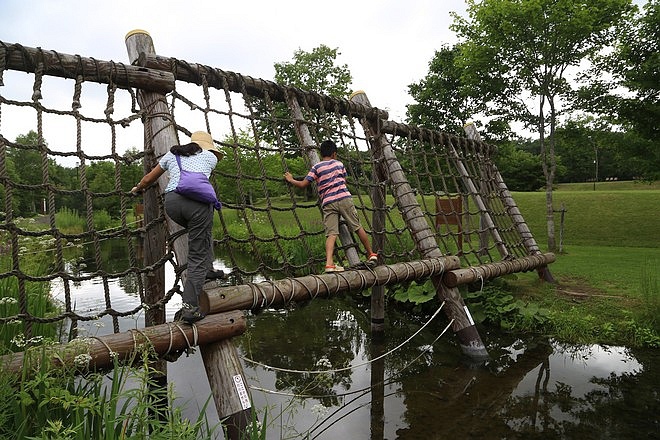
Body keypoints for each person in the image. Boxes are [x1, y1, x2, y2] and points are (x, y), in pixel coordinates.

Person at [131, 131, 225, 324]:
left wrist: (137, 188)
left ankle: (208, 269)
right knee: (197, 253)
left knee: (202, 233)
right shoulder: (210, 157)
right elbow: (200, 181)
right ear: (208, 146)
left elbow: (149, 179)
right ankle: (190, 309)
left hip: (172, 204)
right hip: (198, 205)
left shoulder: (172, 155)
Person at [284, 139, 378, 273]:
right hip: (345, 199)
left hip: (328, 202)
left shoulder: (316, 167)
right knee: (357, 227)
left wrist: (291, 179)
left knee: (331, 234)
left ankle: (329, 264)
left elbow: (303, 184)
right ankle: (371, 254)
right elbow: (344, 180)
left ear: (321, 153)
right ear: (334, 154)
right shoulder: (339, 164)